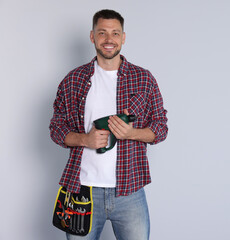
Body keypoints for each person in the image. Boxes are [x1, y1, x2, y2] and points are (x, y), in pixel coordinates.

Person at [49, 9, 168, 240]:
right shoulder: (74, 80)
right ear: (92, 36)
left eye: (115, 33)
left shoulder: (143, 79)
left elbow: (161, 127)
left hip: (130, 192)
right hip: (82, 191)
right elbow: (56, 127)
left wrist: (132, 133)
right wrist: (85, 139)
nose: (109, 39)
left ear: (123, 37)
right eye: (102, 33)